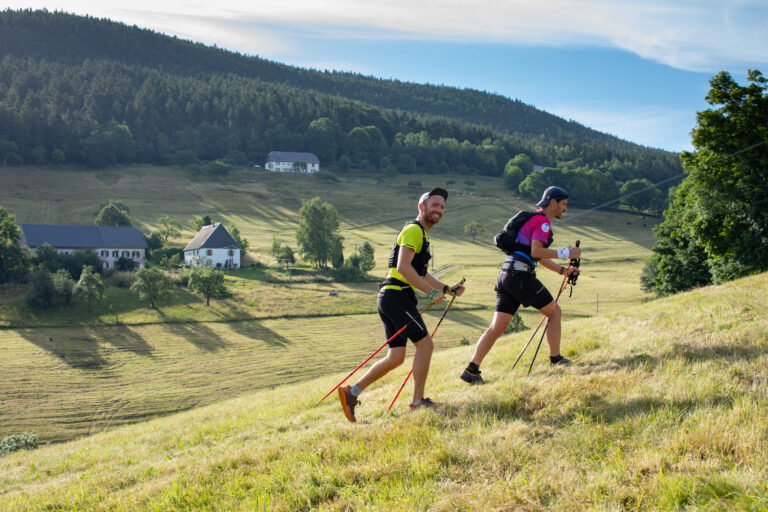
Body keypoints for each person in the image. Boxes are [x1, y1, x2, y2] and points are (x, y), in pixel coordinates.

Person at [339, 187, 466, 422]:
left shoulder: (422, 235)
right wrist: (430, 293)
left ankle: (351, 392)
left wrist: (447, 289)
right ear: (421, 207)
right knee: (425, 346)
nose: (439, 209)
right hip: (397, 296)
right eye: (434, 205)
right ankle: (418, 403)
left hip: (392, 297)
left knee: (396, 357)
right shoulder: (414, 230)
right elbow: (403, 268)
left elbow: (421, 273)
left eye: (442, 207)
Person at [460, 186, 580, 384]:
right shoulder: (542, 222)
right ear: (553, 202)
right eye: (563, 204)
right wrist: (567, 253)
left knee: (497, 327)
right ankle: (556, 359)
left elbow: (535, 255)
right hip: (520, 275)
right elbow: (536, 252)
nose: (565, 209)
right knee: (554, 312)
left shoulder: (532, 219)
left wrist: (562, 271)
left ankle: (471, 370)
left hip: (506, 274)